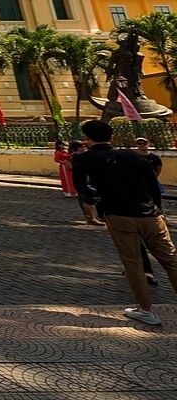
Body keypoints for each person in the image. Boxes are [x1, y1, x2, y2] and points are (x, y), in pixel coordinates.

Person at [72, 119, 177, 326]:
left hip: (118, 214)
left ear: (87, 138)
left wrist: (97, 198)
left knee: (133, 263)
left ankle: (145, 310)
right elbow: (154, 186)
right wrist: (158, 210)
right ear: (112, 136)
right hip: (150, 215)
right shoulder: (133, 155)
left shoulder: (84, 159)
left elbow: (81, 188)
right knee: (171, 260)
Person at [136, 137, 165, 286]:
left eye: (143, 143)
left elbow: (158, 169)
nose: (141, 146)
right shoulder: (133, 158)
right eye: (139, 143)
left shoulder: (153, 158)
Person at [71, 140, 103, 225]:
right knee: (87, 199)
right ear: (78, 148)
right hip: (82, 181)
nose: (85, 148)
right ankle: (90, 218)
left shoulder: (75, 156)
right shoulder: (78, 157)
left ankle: (92, 217)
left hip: (80, 181)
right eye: (83, 146)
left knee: (86, 199)